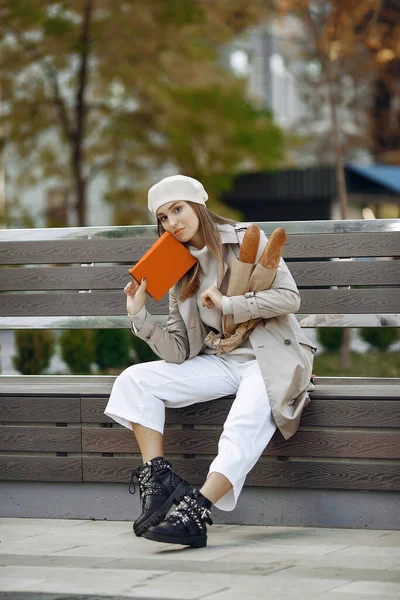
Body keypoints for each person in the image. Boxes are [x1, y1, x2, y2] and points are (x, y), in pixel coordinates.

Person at [104, 174, 316, 549]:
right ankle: (159, 482)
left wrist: (230, 304)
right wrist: (140, 316)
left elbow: (289, 298)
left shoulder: (246, 237)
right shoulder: (175, 264)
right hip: (220, 360)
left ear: (197, 206)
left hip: (270, 357)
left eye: (178, 209)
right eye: (163, 218)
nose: (173, 223)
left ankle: (197, 511)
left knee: (244, 420)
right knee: (134, 380)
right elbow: (179, 351)